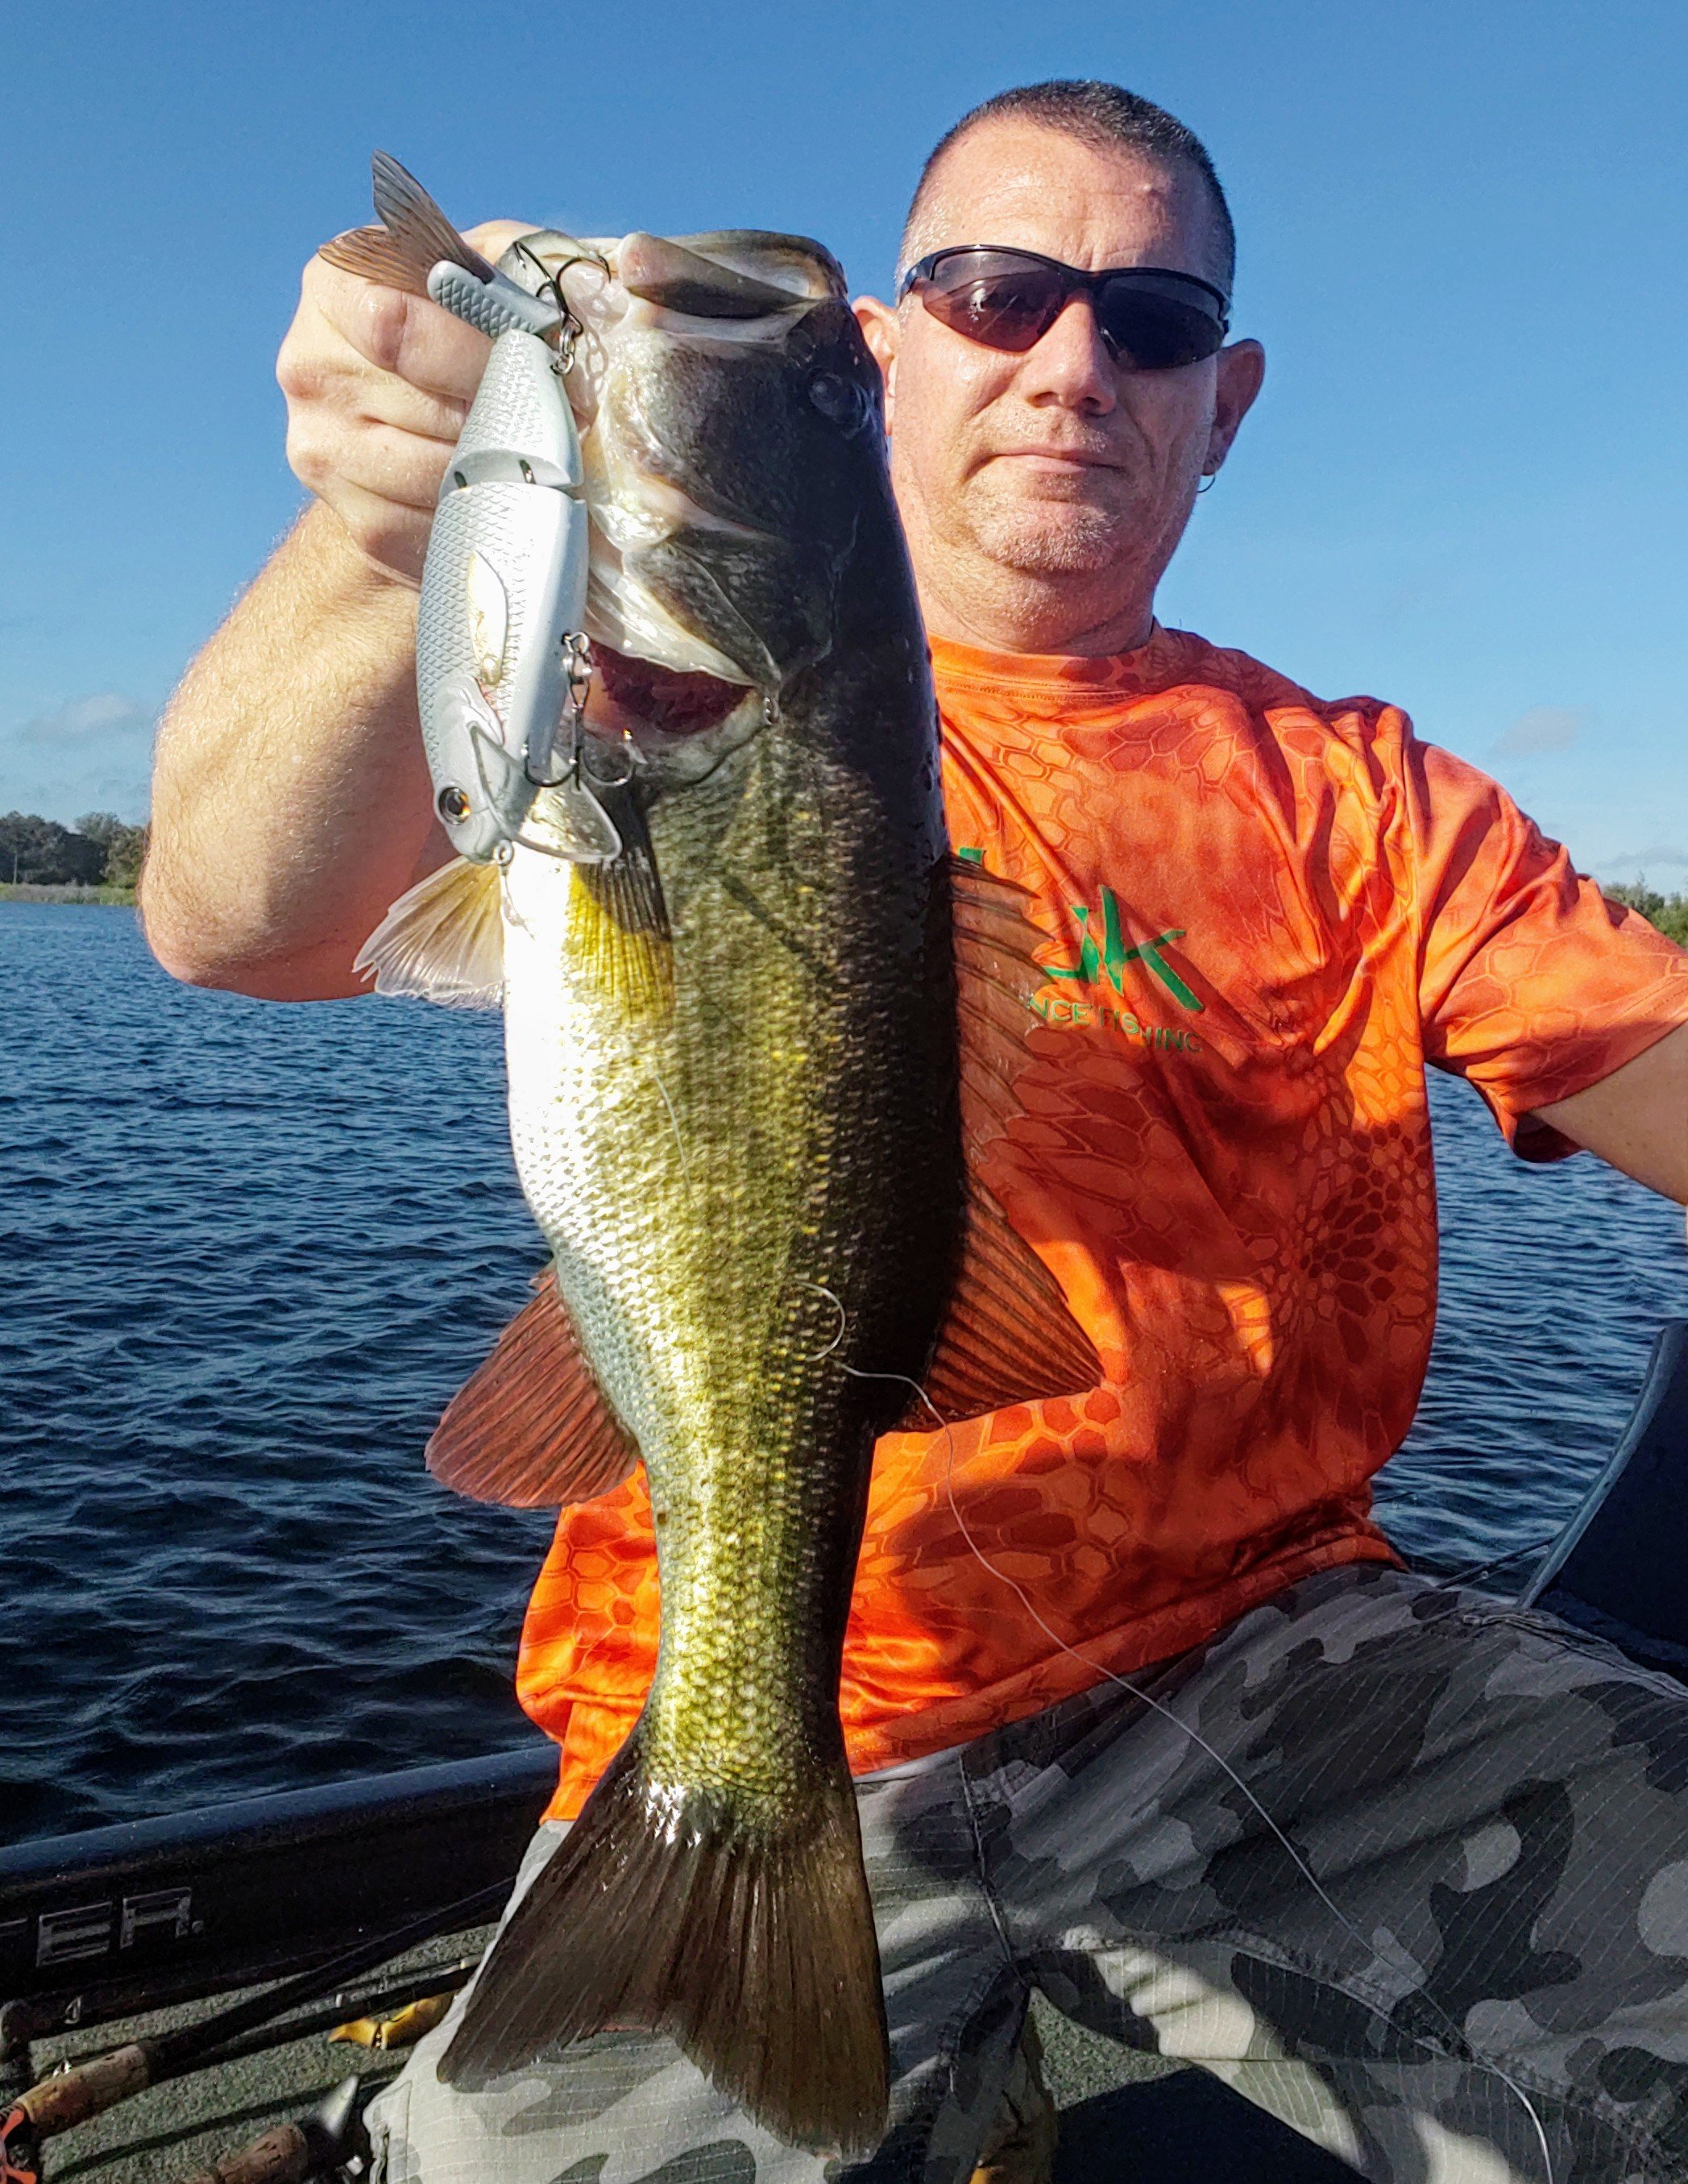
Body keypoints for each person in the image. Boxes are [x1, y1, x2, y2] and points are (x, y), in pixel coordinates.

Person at [143, 78, 1688, 2184]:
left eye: (1145, 320)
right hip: (775, 1696)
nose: (1070, 363)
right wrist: (387, 523)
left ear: (1221, 401)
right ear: (887, 348)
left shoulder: (1374, 801)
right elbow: (230, 920)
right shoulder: (607, 683)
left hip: (1274, 1668)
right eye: (996, 291)